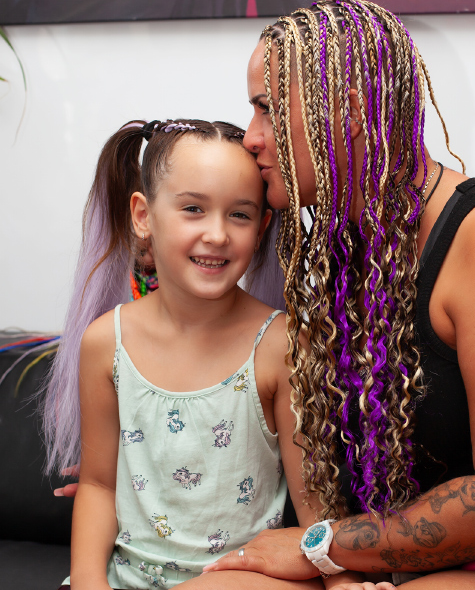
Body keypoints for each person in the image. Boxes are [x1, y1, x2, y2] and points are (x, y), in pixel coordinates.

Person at [187, 0, 475, 590]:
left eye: (267, 109)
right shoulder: (346, 246)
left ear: (350, 110)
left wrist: (320, 547)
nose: (251, 137)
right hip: (382, 558)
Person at [44, 118, 363, 589]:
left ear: (262, 227)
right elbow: (97, 484)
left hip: (239, 580)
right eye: (193, 209)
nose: (217, 234)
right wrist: (90, 583)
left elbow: (314, 500)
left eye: (240, 215)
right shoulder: (105, 342)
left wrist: (343, 583)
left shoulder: (280, 344)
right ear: (143, 216)